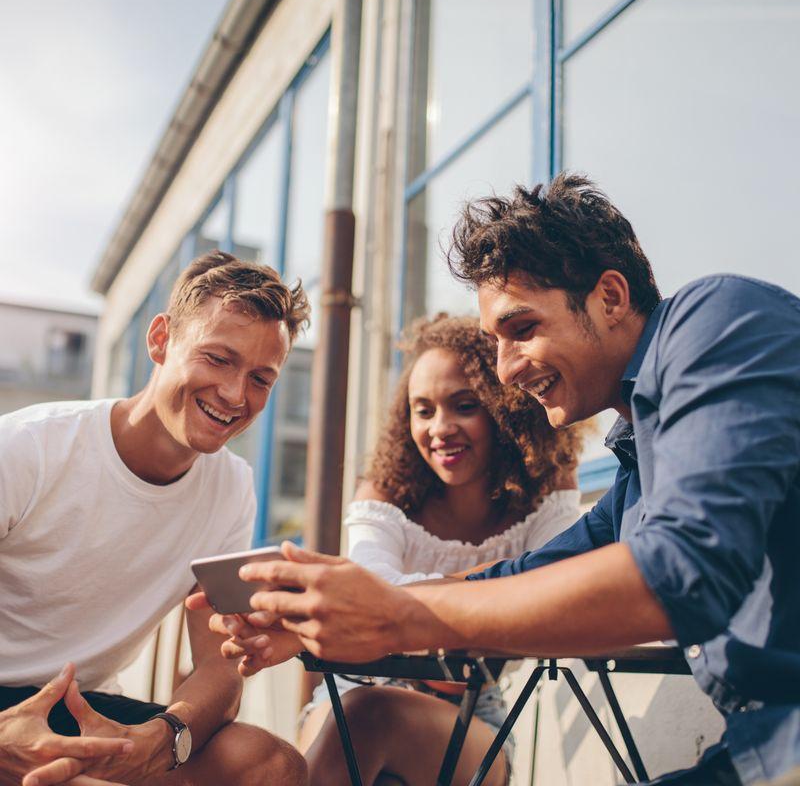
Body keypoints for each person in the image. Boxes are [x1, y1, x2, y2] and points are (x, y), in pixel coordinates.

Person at [230, 175, 800, 786]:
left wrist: (399, 617)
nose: (504, 371)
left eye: (522, 329)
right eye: (495, 343)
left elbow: (684, 572)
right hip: (754, 752)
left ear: (611, 297)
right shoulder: (637, 472)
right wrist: (332, 612)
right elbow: (521, 576)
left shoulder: (715, 320)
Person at [0, 251, 309, 786]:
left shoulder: (233, 489)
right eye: (217, 358)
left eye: (261, 378)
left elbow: (219, 663)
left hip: (81, 710)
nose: (236, 395)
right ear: (161, 340)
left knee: (271, 765)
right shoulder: (28, 449)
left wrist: (168, 735)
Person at [298, 314, 583, 785]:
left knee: (370, 717)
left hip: (473, 707)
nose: (440, 428)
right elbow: (372, 594)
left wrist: (414, 610)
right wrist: (503, 582)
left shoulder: (547, 489)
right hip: (355, 689)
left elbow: (559, 588)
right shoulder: (384, 494)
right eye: (423, 410)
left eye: (464, 405)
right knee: (361, 711)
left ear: (505, 407)